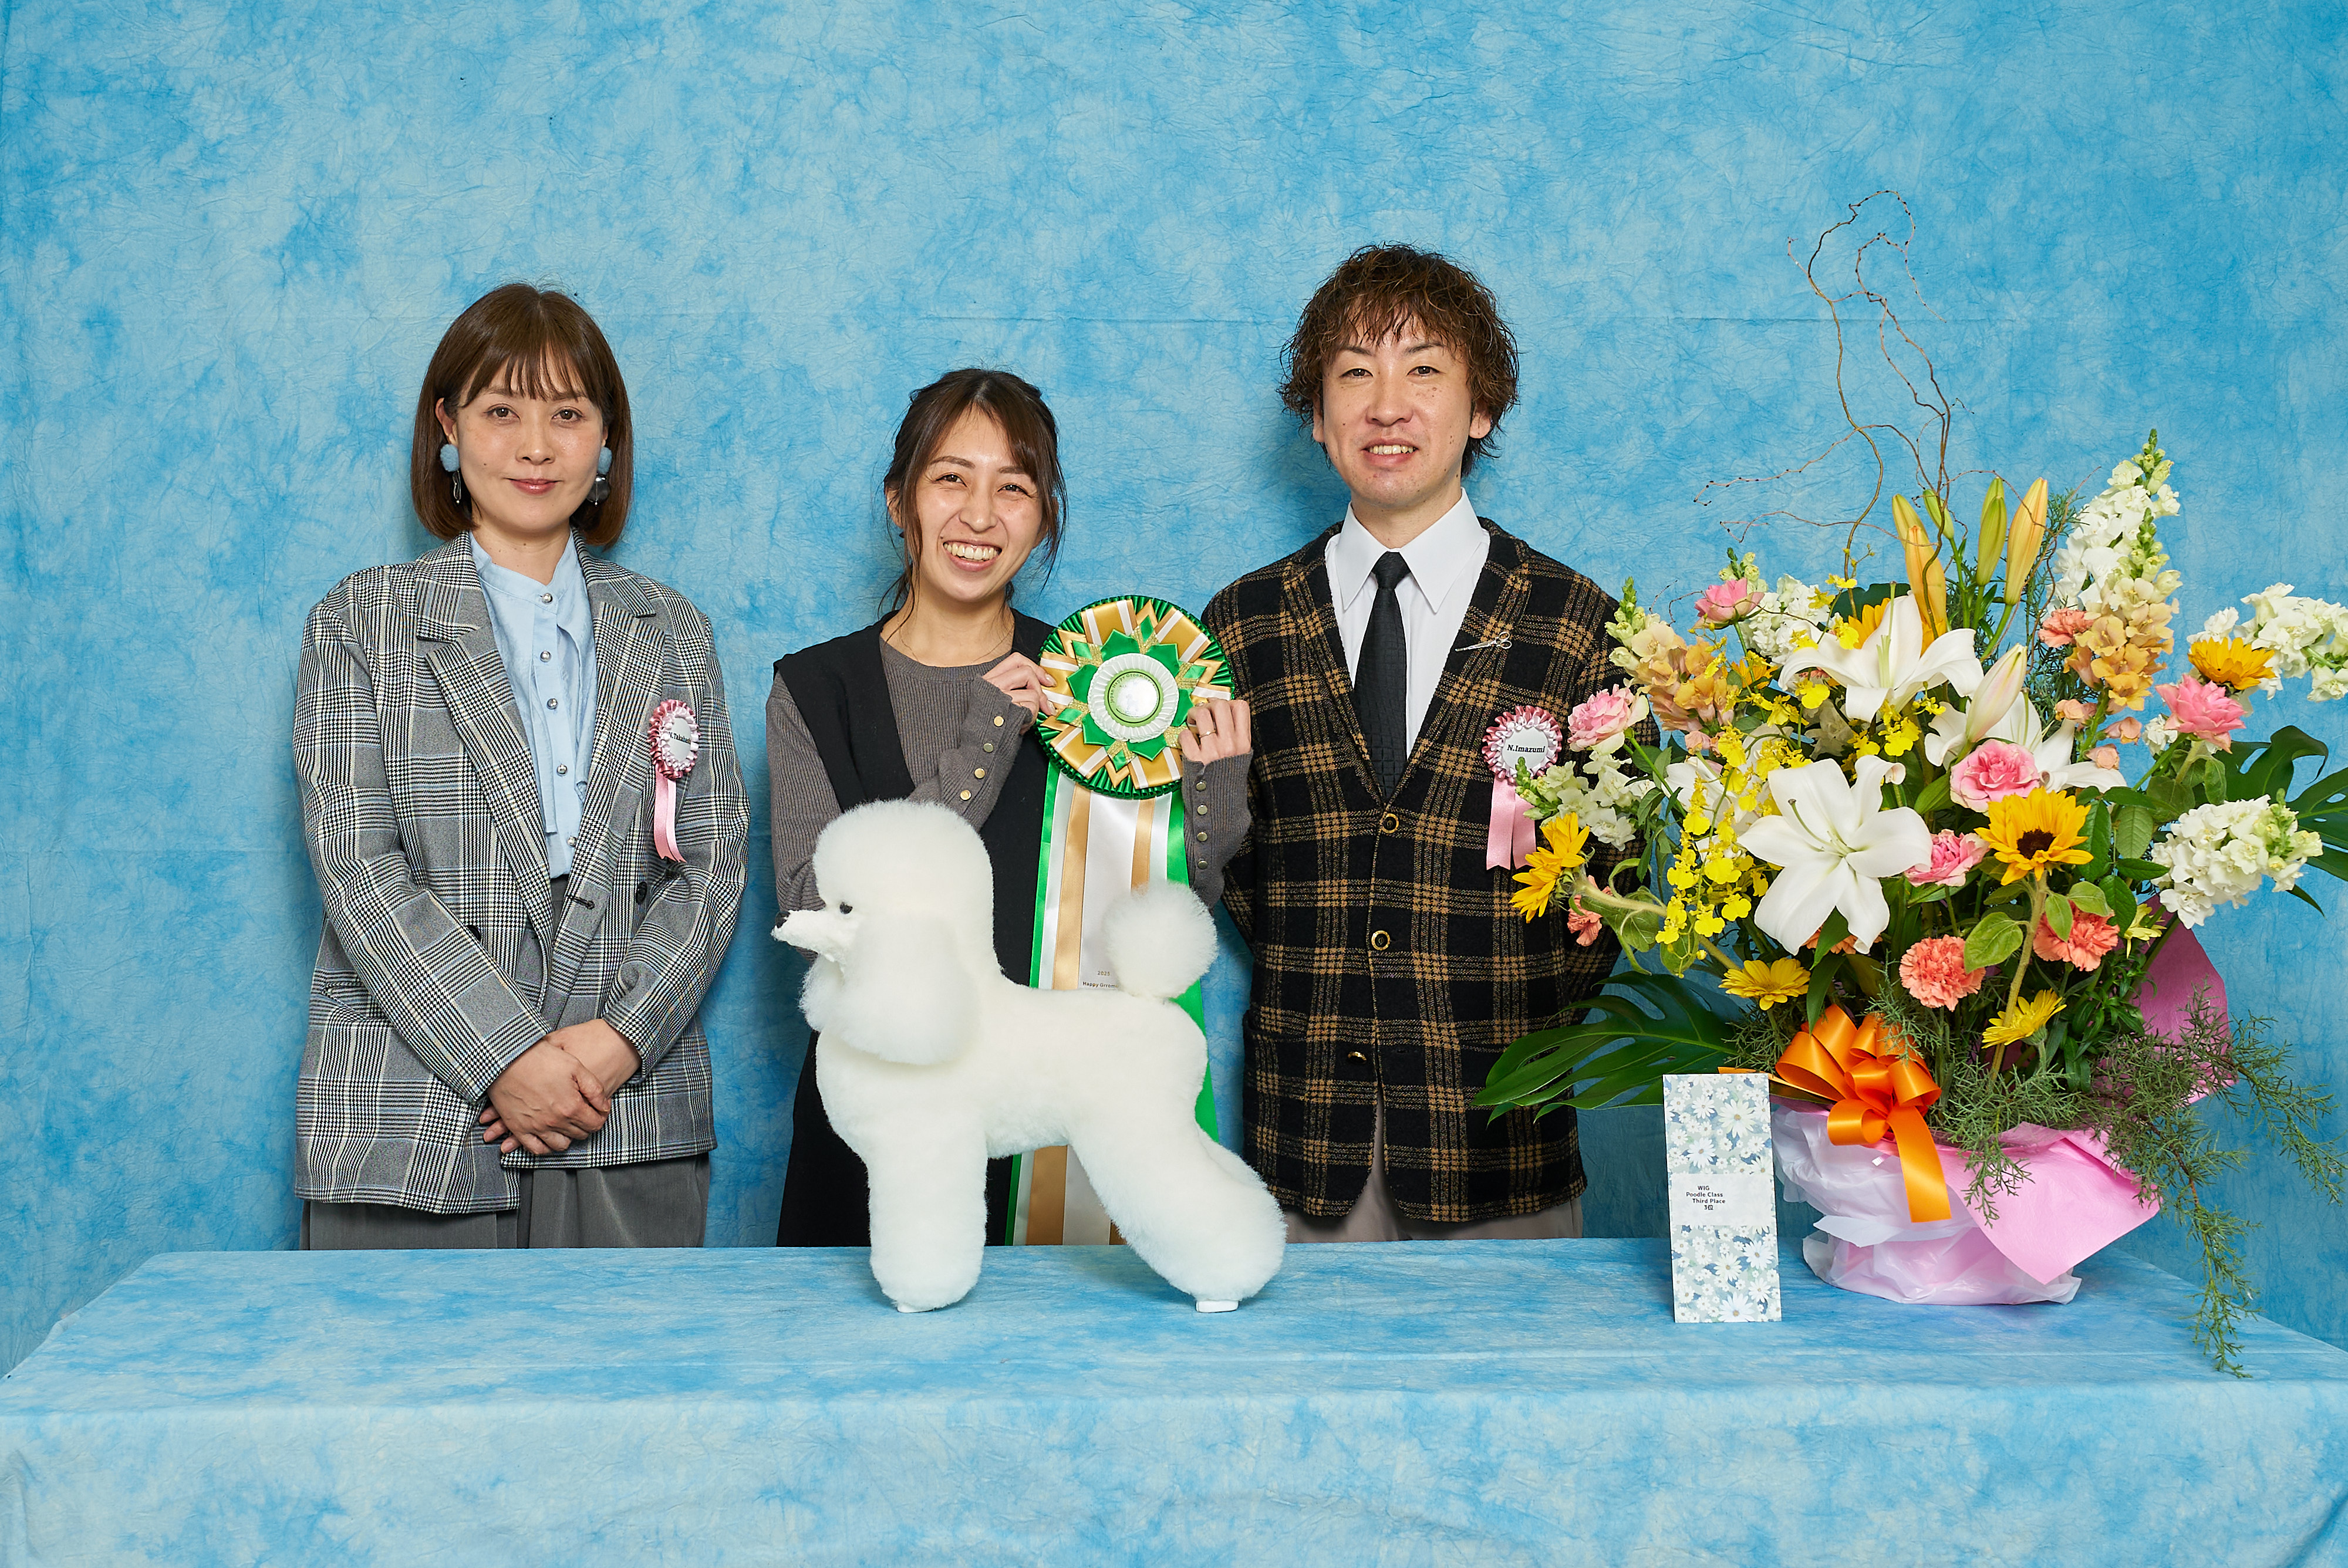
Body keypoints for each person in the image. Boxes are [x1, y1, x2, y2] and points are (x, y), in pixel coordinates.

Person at [293, 283, 749, 1249]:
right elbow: (358, 869)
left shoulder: (673, 629)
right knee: (397, 1396)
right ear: (449, 428)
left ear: (607, 442)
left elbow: (712, 868)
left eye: (568, 414)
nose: (535, 446)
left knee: (633, 1394)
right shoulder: (359, 621)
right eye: (501, 411)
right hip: (410, 1103)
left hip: (624, 1103)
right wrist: (508, 1057)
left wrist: (616, 1043)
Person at [1202, 245, 1643, 1243]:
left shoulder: (1578, 624)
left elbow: (1616, 883)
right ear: (1317, 417)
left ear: (1481, 407)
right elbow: (1233, 871)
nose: (1387, 405)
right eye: (1355, 372)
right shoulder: (1243, 623)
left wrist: (1509, 1015)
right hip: (1305, 1149)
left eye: (1425, 370)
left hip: (1506, 1148)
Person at [768, 368, 1251, 1247]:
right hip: (877, 1119)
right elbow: (808, 906)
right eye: (951, 479)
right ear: (898, 500)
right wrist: (986, 740)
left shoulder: (1099, 685)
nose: (980, 516)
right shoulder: (814, 687)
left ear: (1043, 516)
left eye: (1014, 487)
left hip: (1050, 1120)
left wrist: (1216, 787)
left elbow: (1186, 899)